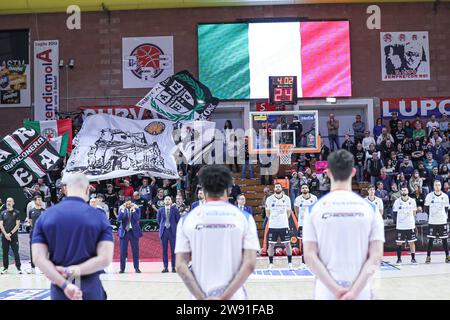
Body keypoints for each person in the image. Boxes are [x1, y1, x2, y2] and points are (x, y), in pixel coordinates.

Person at [303, 150, 385, 300]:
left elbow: (309, 256)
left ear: (327, 173)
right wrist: (353, 292)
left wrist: (335, 290)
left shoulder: (313, 210)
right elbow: (376, 255)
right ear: (353, 172)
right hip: (360, 290)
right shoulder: (371, 209)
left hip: (326, 290)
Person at [175, 165, 260, 299]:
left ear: (202, 188)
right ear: (229, 189)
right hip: (234, 296)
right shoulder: (245, 218)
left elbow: (180, 266)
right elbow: (249, 264)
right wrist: (223, 298)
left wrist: (202, 297)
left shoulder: (187, 219)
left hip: (200, 295)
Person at [31, 173, 114, 300]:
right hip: (90, 291)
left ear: (65, 189)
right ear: (87, 189)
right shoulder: (99, 217)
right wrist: (72, 271)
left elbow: (38, 258)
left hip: (61, 292)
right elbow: (105, 259)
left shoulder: (45, 216)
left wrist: (65, 284)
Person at [265, 182, 294, 270]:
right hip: (273, 225)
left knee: (288, 244)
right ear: (274, 189)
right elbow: (267, 213)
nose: (277, 188)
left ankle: (290, 263)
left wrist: (282, 219)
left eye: (279, 187)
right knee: (271, 245)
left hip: (284, 225)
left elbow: (289, 212)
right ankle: (270, 264)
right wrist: (274, 219)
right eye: (276, 187)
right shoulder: (269, 199)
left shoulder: (287, 199)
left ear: (281, 189)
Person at [424, 180, 450, 263]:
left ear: (441, 186)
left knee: (444, 240)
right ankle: (428, 256)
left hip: (442, 221)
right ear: (433, 186)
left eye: (439, 185)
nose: (437, 186)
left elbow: (446, 208)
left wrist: (441, 215)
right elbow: (426, 208)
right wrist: (432, 215)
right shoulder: (429, 196)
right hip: (432, 221)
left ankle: (447, 256)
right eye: (436, 185)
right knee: (431, 240)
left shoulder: (445, 196)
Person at [294, 184, 318, 270]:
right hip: (302, 224)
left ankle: (314, 263)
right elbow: (296, 210)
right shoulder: (298, 199)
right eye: (303, 188)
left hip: (312, 224)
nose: (304, 189)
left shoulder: (314, 198)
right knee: (304, 244)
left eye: (306, 187)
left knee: (313, 243)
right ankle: (304, 263)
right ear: (301, 190)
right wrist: (300, 219)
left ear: (308, 189)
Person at [392, 186, 418, 265]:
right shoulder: (397, 201)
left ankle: (413, 259)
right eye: (402, 190)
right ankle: (399, 259)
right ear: (401, 192)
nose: (403, 191)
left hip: (410, 225)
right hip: (400, 226)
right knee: (399, 243)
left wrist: (412, 222)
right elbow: (395, 213)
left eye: (405, 190)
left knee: (412, 242)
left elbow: (414, 213)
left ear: (408, 191)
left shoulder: (412, 201)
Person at [118, 199, 143, 273]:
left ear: (132, 203)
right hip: (124, 232)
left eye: (130, 203)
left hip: (133, 232)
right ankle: (122, 269)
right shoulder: (122, 209)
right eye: (127, 203)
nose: (128, 204)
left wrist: (134, 210)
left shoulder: (137, 209)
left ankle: (136, 268)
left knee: (135, 251)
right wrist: (122, 210)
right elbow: (119, 219)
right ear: (125, 203)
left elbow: (137, 218)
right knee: (122, 252)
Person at [157, 196, 180, 273]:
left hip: (172, 232)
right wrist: (163, 226)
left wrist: (173, 227)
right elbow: (159, 220)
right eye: (166, 199)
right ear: (164, 201)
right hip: (164, 232)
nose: (167, 200)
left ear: (171, 201)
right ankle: (165, 267)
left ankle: (173, 267)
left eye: (169, 199)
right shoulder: (160, 210)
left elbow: (178, 220)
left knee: (173, 250)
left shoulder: (175, 210)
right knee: (164, 250)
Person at [0, 198, 22, 274]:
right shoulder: (3, 213)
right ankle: (5, 268)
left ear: (13, 203)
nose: (8, 203)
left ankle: (18, 268)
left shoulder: (17, 212)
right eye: (7, 201)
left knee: (16, 252)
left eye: (10, 201)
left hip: (13, 236)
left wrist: (10, 234)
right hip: (4, 236)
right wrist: (6, 234)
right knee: (5, 252)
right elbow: (1, 225)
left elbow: (17, 225)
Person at [26, 195, 45, 274]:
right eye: (38, 200)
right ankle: (32, 268)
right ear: (35, 201)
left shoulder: (44, 211)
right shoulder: (31, 211)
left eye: (41, 200)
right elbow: (30, 222)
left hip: (42, 233)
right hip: (33, 232)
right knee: (32, 250)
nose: (40, 201)